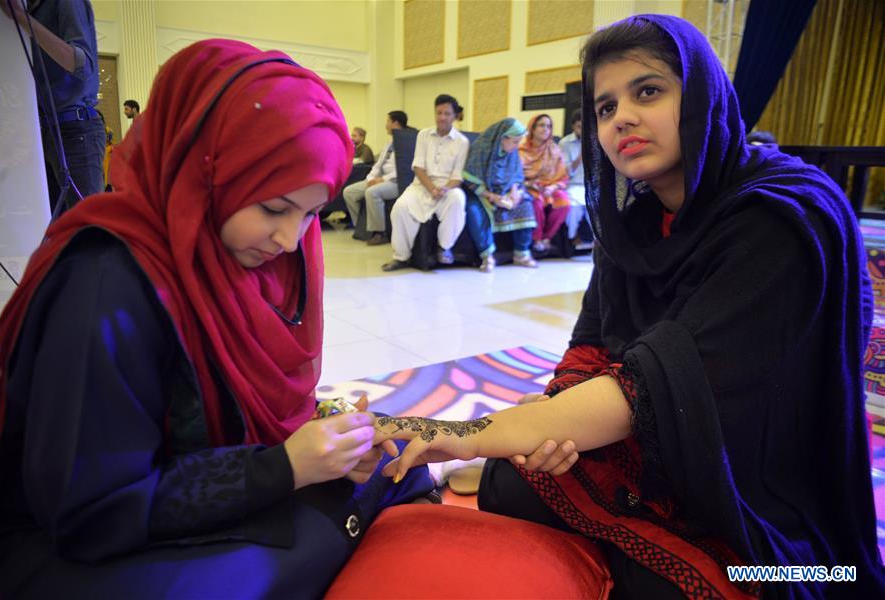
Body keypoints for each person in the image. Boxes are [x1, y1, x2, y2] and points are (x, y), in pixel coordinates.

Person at [373, 14, 885, 598]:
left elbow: (659, 380)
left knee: (706, 584)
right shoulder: (635, 221)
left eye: (648, 91)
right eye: (605, 107)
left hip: (750, 474)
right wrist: (552, 429)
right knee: (507, 483)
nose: (623, 119)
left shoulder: (782, 217)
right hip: (655, 434)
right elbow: (593, 340)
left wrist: (466, 432)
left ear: (702, 97)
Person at [0, 40, 440, 599]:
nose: (290, 239)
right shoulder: (105, 287)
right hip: (83, 541)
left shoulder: (249, 255)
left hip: (208, 488)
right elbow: (90, 512)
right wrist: (284, 469)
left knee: (394, 452)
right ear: (203, 170)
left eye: (311, 214)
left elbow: (242, 411)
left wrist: (314, 441)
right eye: (274, 207)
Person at [0, 0, 106, 216]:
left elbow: (80, 64)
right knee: (55, 231)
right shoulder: (32, 9)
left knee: (87, 228)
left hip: (76, 130)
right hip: (46, 134)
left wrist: (21, 17)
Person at [382, 94, 469, 271]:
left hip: (447, 189)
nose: (442, 117)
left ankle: (444, 248)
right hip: (421, 186)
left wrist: (444, 189)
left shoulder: (462, 142)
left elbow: (457, 176)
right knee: (399, 208)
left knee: (458, 199)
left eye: (447, 113)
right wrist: (431, 188)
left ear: (454, 116)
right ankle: (401, 257)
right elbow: (418, 167)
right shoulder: (423, 135)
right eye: (439, 113)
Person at [462, 118, 538, 272]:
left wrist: (514, 192)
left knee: (526, 203)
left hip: (504, 192)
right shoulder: (481, 149)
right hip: (480, 192)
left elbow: (516, 176)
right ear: (503, 137)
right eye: (515, 142)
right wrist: (492, 196)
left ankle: (521, 254)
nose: (517, 146)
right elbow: (469, 180)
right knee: (475, 211)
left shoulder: (512, 151)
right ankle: (487, 256)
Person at [342, 110, 406, 245]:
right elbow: (378, 165)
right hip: (378, 179)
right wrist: (370, 179)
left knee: (372, 192)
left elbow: (403, 169)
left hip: (395, 182)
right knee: (349, 192)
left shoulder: (405, 144)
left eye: (388, 121)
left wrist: (382, 180)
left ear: (395, 123)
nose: (386, 124)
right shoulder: (389, 144)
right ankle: (362, 226)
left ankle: (379, 233)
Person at [519, 114, 570, 253]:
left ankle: (547, 238)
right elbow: (515, 175)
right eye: (542, 125)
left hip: (551, 186)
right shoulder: (521, 149)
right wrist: (530, 184)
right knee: (536, 202)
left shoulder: (554, 149)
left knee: (564, 203)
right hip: (529, 186)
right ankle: (536, 239)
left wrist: (553, 187)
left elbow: (562, 176)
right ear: (533, 128)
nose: (546, 129)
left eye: (549, 126)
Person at [559, 109, 593, 249]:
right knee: (573, 208)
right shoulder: (564, 143)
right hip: (573, 184)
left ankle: (598, 241)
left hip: (591, 184)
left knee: (597, 206)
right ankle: (572, 238)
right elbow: (566, 172)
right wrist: (580, 156)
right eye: (579, 127)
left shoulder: (596, 139)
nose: (582, 130)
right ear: (573, 126)